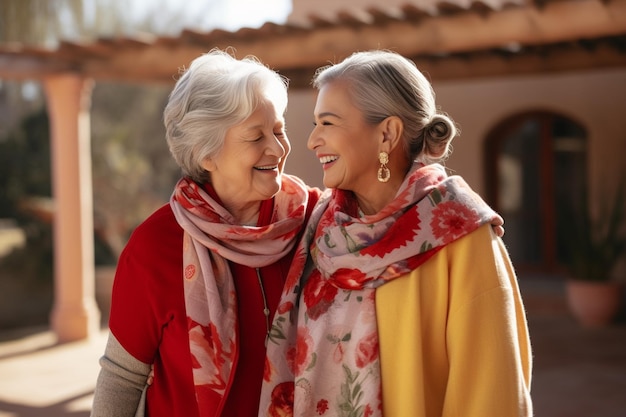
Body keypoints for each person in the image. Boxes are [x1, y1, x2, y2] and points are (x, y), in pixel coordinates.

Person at [260, 50, 532, 417]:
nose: (312, 141)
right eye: (314, 124)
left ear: (387, 133)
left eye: (327, 123)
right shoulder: (321, 229)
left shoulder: (461, 237)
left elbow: (492, 395)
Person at [90, 48, 324, 417]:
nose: (277, 148)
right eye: (255, 136)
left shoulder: (316, 220)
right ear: (206, 154)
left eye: (278, 129)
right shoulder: (155, 246)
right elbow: (122, 378)